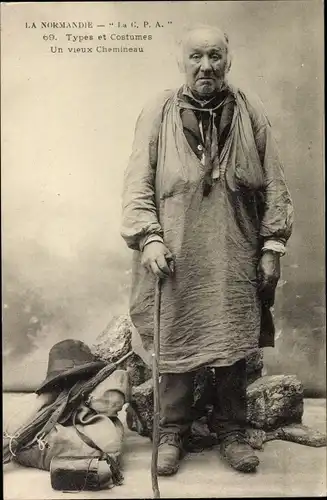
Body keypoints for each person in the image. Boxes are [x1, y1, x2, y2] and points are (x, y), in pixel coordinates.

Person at [121, 24, 293, 476]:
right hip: (175, 253)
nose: (206, 66)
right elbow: (137, 181)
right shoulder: (158, 111)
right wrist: (149, 237)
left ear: (228, 61)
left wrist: (272, 244)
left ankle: (232, 431)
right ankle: (173, 429)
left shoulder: (248, 109)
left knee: (233, 339)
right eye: (196, 56)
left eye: (215, 56)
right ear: (181, 61)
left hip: (235, 250)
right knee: (177, 334)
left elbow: (274, 182)